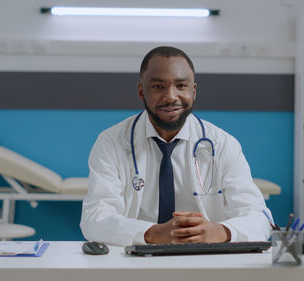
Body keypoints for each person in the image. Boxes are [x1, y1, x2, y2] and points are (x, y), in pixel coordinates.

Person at [80, 46, 273, 246]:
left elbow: (259, 218)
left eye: (181, 85)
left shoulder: (222, 144)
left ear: (193, 91)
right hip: (135, 263)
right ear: (141, 91)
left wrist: (221, 231)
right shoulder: (111, 142)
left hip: (207, 260)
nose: (171, 96)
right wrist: (152, 233)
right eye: (157, 86)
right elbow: (94, 219)